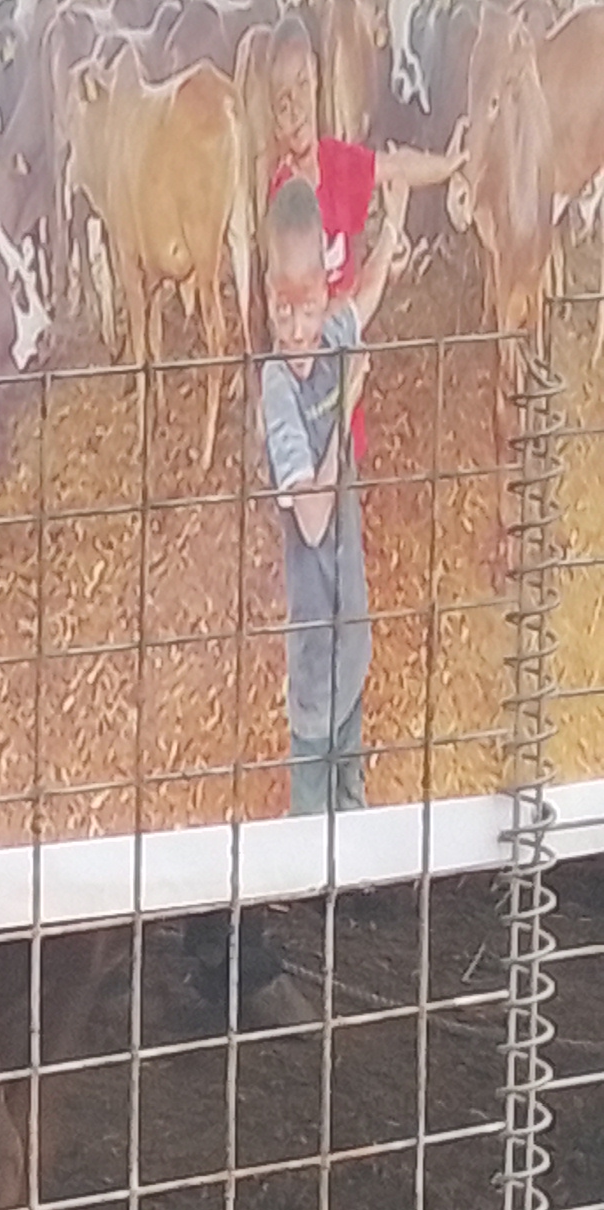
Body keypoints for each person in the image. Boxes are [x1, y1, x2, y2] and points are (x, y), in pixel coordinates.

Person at [259, 172, 371, 827]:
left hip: (349, 636)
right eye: (284, 311)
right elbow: (311, 515)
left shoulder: (332, 331)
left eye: (310, 310)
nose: (299, 331)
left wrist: (391, 240)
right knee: (313, 827)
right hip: (311, 666)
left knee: (353, 805)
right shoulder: (278, 389)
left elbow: (367, 300)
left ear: (323, 296)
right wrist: (347, 403)